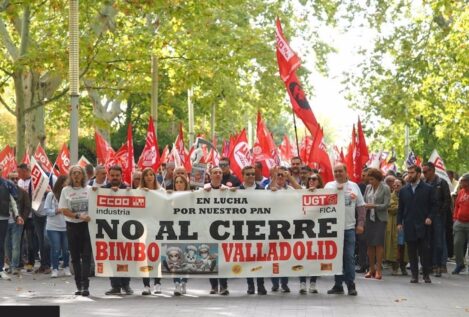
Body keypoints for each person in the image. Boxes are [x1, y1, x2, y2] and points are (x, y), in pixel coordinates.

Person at [325, 163, 365, 296]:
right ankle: (338, 285)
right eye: (335, 171)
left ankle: (351, 285)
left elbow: (361, 206)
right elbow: (321, 204)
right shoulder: (329, 186)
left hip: (348, 228)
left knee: (349, 257)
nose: (337, 174)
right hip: (333, 229)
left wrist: (360, 224)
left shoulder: (354, 186)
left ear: (346, 172)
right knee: (336, 258)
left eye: (340, 171)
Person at [397, 165, 437, 284]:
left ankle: (426, 274)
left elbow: (434, 205)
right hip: (409, 225)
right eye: (408, 172)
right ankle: (414, 275)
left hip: (423, 224)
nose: (409, 175)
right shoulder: (404, 190)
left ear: (419, 174)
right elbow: (401, 209)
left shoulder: (428, 189)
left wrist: (430, 217)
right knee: (412, 252)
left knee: (424, 251)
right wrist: (399, 222)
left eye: (412, 173)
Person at [58, 165, 92, 296]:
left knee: (87, 256)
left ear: (83, 175)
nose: (76, 175)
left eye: (79, 173)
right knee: (75, 257)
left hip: (86, 226)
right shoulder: (65, 190)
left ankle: (85, 285)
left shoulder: (89, 189)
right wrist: (78, 216)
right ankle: (78, 285)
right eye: (74, 173)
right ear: (70, 176)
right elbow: (63, 210)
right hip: (72, 226)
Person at [100, 165, 134, 295]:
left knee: (126, 258)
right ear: (108, 176)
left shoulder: (128, 190)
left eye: (117, 176)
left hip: (126, 232)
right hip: (109, 232)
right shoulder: (102, 190)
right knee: (111, 258)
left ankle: (126, 285)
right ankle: (115, 286)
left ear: (121, 176)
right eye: (112, 175)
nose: (114, 178)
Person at [268, 166, 301, 293]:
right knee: (274, 257)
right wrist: (274, 177)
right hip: (272, 227)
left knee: (285, 256)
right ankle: (275, 283)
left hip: (287, 227)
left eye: (283, 175)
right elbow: (265, 193)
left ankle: (284, 283)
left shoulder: (290, 189)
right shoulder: (272, 187)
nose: (280, 177)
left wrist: (290, 178)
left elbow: (300, 191)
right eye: (279, 175)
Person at [238, 165, 267, 295]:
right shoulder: (237, 190)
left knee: (259, 258)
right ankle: (250, 285)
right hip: (243, 230)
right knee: (248, 259)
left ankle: (261, 285)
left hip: (258, 228)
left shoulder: (262, 190)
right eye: (248, 174)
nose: (251, 176)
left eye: (252, 174)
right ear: (242, 176)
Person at [422, 162, 452, 277]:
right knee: (427, 241)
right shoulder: (424, 183)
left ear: (432, 171)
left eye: (425, 172)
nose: (424, 174)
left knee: (439, 242)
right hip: (427, 216)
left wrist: (439, 213)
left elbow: (447, 200)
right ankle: (429, 266)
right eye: (423, 172)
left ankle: (439, 266)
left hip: (438, 216)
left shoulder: (442, 183)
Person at [203, 166, 230, 295]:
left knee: (223, 259)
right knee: (211, 258)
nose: (218, 174)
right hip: (208, 230)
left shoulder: (227, 190)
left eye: (220, 172)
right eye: (215, 172)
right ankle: (213, 286)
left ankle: (224, 286)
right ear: (210, 175)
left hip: (223, 230)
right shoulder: (203, 190)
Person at [138, 167, 164, 295]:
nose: (149, 177)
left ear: (154, 177)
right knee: (145, 257)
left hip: (158, 227)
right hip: (144, 228)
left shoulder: (161, 191)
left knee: (157, 256)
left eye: (151, 174)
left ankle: (158, 283)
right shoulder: (139, 191)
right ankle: (146, 285)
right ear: (143, 178)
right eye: (146, 175)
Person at [363, 168, 390, 280]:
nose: (370, 182)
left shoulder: (385, 188)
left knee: (378, 244)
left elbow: (386, 204)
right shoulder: (368, 187)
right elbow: (364, 200)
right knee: (369, 244)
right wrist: (366, 206)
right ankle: (371, 269)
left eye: (372, 179)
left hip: (380, 219)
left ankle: (379, 269)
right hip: (369, 218)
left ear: (378, 179)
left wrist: (374, 206)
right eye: (369, 180)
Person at [299, 174, 323, 294]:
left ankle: (313, 283)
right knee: (302, 256)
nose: (311, 181)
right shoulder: (302, 191)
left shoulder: (325, 193)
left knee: (315, 258)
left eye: (314, 179)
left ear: (319, 181)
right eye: (309, 179)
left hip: (318, 231)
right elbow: (295, 187)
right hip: (303, 230)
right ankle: (302, 283)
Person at [44, 175, 71, 278]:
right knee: (55, 248)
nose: (68, 184)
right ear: (61, 183)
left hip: (66, 226)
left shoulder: (69, 194)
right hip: (53, 227)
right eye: (66, 182)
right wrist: (57, 211)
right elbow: (47, 211)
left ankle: (66, 267)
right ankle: (54, 268)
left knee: (66, 249)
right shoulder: (51, 195)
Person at [169, 175, 191, 295]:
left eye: (181, 182)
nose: (178, 184)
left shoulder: (192, 196)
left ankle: (184, 282)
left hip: (188, 230)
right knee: (175, 258)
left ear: (185, 183)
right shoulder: (169, 196)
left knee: (186, 258)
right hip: (174, 230)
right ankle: (176, 283)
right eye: (176, 182)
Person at [4, 172, 30, 276]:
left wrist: (22, 218)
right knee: (7, 245)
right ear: (7, 179)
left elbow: (27, 207)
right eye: (12, 178)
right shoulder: (3, 190)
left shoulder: (22, 192)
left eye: (16, 179)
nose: (15, 180)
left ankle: (14, 266)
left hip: (17, 222)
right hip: (4, 221)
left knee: (16, 245)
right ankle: (10, 265)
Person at [0, 165, 22, 280]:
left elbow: (13, 202)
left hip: (3, 218)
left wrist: (17, 215)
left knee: (1, 244)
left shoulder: (7, 184)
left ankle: (0, 269)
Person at [385, 178, 408, 275]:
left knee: (404, 246)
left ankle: (403, 266)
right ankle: (395, 267)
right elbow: (390, 208)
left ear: (403, 185)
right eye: (394, 185)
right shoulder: (390, 196)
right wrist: (401, 207)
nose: (396, 186)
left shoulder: (407, 196)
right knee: (395, 245)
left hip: (405, 225)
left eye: (398, 185)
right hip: (394, 225)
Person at [16, 163, 36, 272]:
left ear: (25, 171)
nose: (18, 174)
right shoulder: (19, 182)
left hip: (31, 217)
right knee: (18, 240)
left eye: (19, 172)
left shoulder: (33, 181)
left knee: (30, 241)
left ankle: (30, 263)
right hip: (20, 216)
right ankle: (19, 262)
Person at [452, 173, 469, 274]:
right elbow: (456, 206)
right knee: (457, 243)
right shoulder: (461, 192)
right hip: (459, 222)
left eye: (463, 181)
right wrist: (455, 218)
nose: (461, 183)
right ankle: (460, 264)